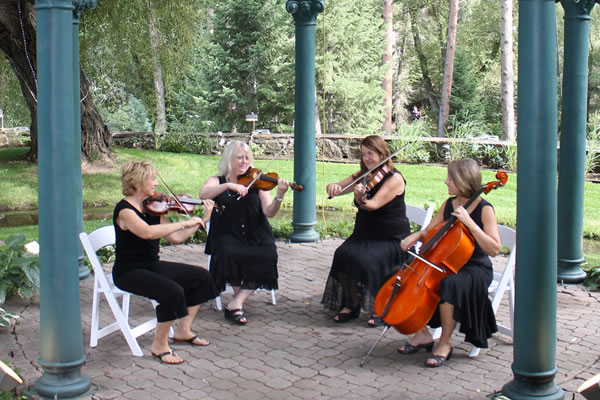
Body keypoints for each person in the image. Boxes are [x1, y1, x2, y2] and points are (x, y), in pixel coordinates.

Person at [397, 158, 501, 368]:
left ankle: (445, 343)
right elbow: (430, 231)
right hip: (446, 262)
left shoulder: (484, 209)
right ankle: (422, 334)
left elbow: (495, 249)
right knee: (407, 276)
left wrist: (470, 224)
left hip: (475, 267)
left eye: (450, 178)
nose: (446, 182)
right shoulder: (449, 204)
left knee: (449, 284)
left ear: (463, 181)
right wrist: (415, 236)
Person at [112, 161, 218, 365]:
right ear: (138, 181)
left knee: (201, 277)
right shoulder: (125, 210)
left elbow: (176, 237)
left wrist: (202, 219)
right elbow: (147, 232)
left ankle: (183, 330)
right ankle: (159, 345)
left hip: (151, 265)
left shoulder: (152, 207)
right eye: (152, 179)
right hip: (128, 272)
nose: (156, 183)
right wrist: (185, 221)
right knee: (172, 291)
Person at [321, 135, 410, 327]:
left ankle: (383, 307)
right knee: (342, 255)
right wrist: (333, 187)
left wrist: (360, 198)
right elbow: (340, 186)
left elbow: (373, 205)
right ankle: (352, 304)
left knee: (367, 260)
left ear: (382, 153)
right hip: (365, 235)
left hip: (390, 239)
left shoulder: (394, 178)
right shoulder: (366, 174)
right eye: (363, 154)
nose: (367, 158)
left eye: (371, 154)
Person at [198, 141, 290, 325]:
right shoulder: (218, 181)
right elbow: (203, 193)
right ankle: (237, 302)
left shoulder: (257, 182)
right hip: (227, 234)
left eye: (247, 157)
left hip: (256, 233)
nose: (244, 161)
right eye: (239, 157)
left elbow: (269, 212)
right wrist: (228, 187)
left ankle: (236, 302)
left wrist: (279, 195)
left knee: (268, 253)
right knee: (229, 253)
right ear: (229, 160)